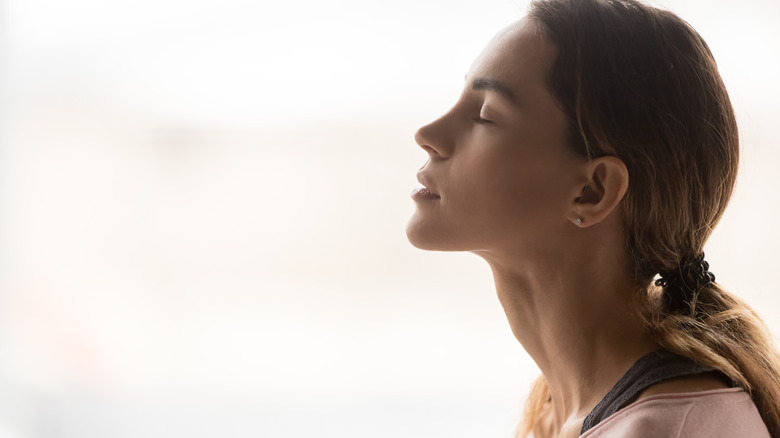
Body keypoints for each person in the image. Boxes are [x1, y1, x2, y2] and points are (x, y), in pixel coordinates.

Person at [405, 0, 780, 436]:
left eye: (485, 115)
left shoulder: (671, 426)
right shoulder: (558, 415)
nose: (427, 134)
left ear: (592, 191)